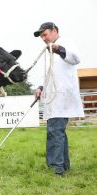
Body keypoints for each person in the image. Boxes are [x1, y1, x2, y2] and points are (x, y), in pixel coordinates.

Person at [33, 22, 84, 175]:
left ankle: (56, 169)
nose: (43, 38)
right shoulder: (49, 49)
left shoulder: (66, 42)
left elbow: (76, 58)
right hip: (53, 97)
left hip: (62, 96)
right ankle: (63, 166)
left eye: (45, 34)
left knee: (55, 132)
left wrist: (59, 49)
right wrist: (41, 87)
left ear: (54, 30)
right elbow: (50, 73)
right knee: (57, 132)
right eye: (41, 36)